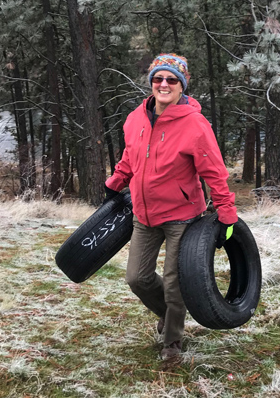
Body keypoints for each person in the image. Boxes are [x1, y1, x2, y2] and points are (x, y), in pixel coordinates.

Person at [104, 53, 238, 360]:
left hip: (181, 215)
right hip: (144, 213)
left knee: (175, 281)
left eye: (171, 80)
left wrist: (227, 214)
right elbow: (130, 157)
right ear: (151, 83)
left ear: (182, 86)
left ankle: (172, 341)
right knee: (137, 278)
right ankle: (168, 311)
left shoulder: (195, 125)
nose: (164, 84)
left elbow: (214, 172)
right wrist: (116, 181)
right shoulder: (135, 118)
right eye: (158, 79)